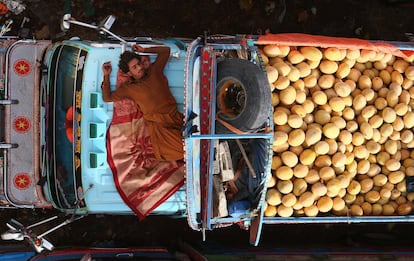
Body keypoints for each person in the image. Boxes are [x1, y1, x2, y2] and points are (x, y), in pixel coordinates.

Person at [101, 44, 184, 161]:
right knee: (184, 149)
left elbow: (166, 51)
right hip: (160, 128)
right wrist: (106, 76)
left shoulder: (154, 71)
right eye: (134, 67)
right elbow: (107, 97)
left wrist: (145, 50)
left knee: (194, 139)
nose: (139, 68)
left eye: (138, 64)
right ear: (129, 73)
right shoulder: (129, 88)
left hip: (175, 118)